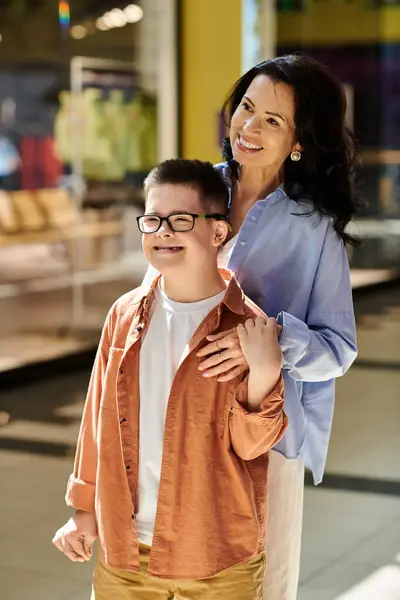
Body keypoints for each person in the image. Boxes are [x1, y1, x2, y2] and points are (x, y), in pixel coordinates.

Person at [144, 55, 359, 600]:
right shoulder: (191, 192)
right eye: (246, 108)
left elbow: (338, 351)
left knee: (256, 584)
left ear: (299, 140)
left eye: (272, 120)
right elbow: (152, 290)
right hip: (173, 416)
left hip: (265, 435)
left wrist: (266, 344)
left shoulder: (314, 230)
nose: (248, 127)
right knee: (157, 569)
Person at [52, 159, 288, 600]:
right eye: (153, 219)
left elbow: (252, 447)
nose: (163, 231)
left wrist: (267, 372)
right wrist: (84, 510)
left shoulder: (246, 326)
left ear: (218, 232)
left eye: (181, 220)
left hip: (217, 558)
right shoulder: (124, 315)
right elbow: (97, 422)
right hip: (124, 555)